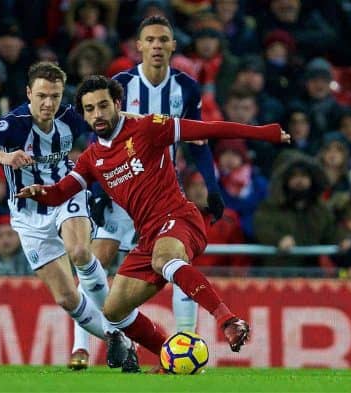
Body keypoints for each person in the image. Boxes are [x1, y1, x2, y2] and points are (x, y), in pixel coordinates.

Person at [16, 75, 290, 371]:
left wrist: (267, 133)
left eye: (104, 105)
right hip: (149, 237)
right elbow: (60, 192)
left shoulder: (147, 127)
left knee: (164, 259)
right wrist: (39, 193)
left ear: (118, 104)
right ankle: (167, 354)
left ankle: (228, 320)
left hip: (179, 219)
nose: (98, 114)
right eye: (90, 109)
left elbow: (211, 128)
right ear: (84, 114)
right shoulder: (91, 158)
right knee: (114, 311)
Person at [0, 61, 138, 372]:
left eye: (54, 96)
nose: (48, 103)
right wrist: (4, 156)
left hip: (66, 195)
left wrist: (167, 129)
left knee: (81, 252)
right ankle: (117, 338)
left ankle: (119, 319)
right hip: (28, 215)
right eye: (41, 95)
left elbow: (117, 119)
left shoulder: (70, 116)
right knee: (67, 298)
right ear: (29, 93)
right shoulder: (15, 123)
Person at [88, 16, 225, 351]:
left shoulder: (187, 88)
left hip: (162, 192)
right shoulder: (120, 84)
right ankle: (103, 340)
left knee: (176, 259)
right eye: (150, 40)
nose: (157, 46)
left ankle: (187, 337)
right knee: (97, 258)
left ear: (173, 46)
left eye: (164, 40)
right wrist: (96, 191)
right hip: (122, 188)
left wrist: (212, 186)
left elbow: (199, 141)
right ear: (139, 46)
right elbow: (100, 140)